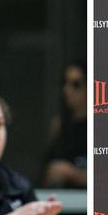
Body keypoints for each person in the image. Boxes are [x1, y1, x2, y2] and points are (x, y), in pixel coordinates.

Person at [43, 61, 87, 189]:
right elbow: (47, 172)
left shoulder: (101, 126)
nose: (67, 90)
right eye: (65, 83)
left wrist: (72, 174)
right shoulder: (59, 124)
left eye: (76, 85)